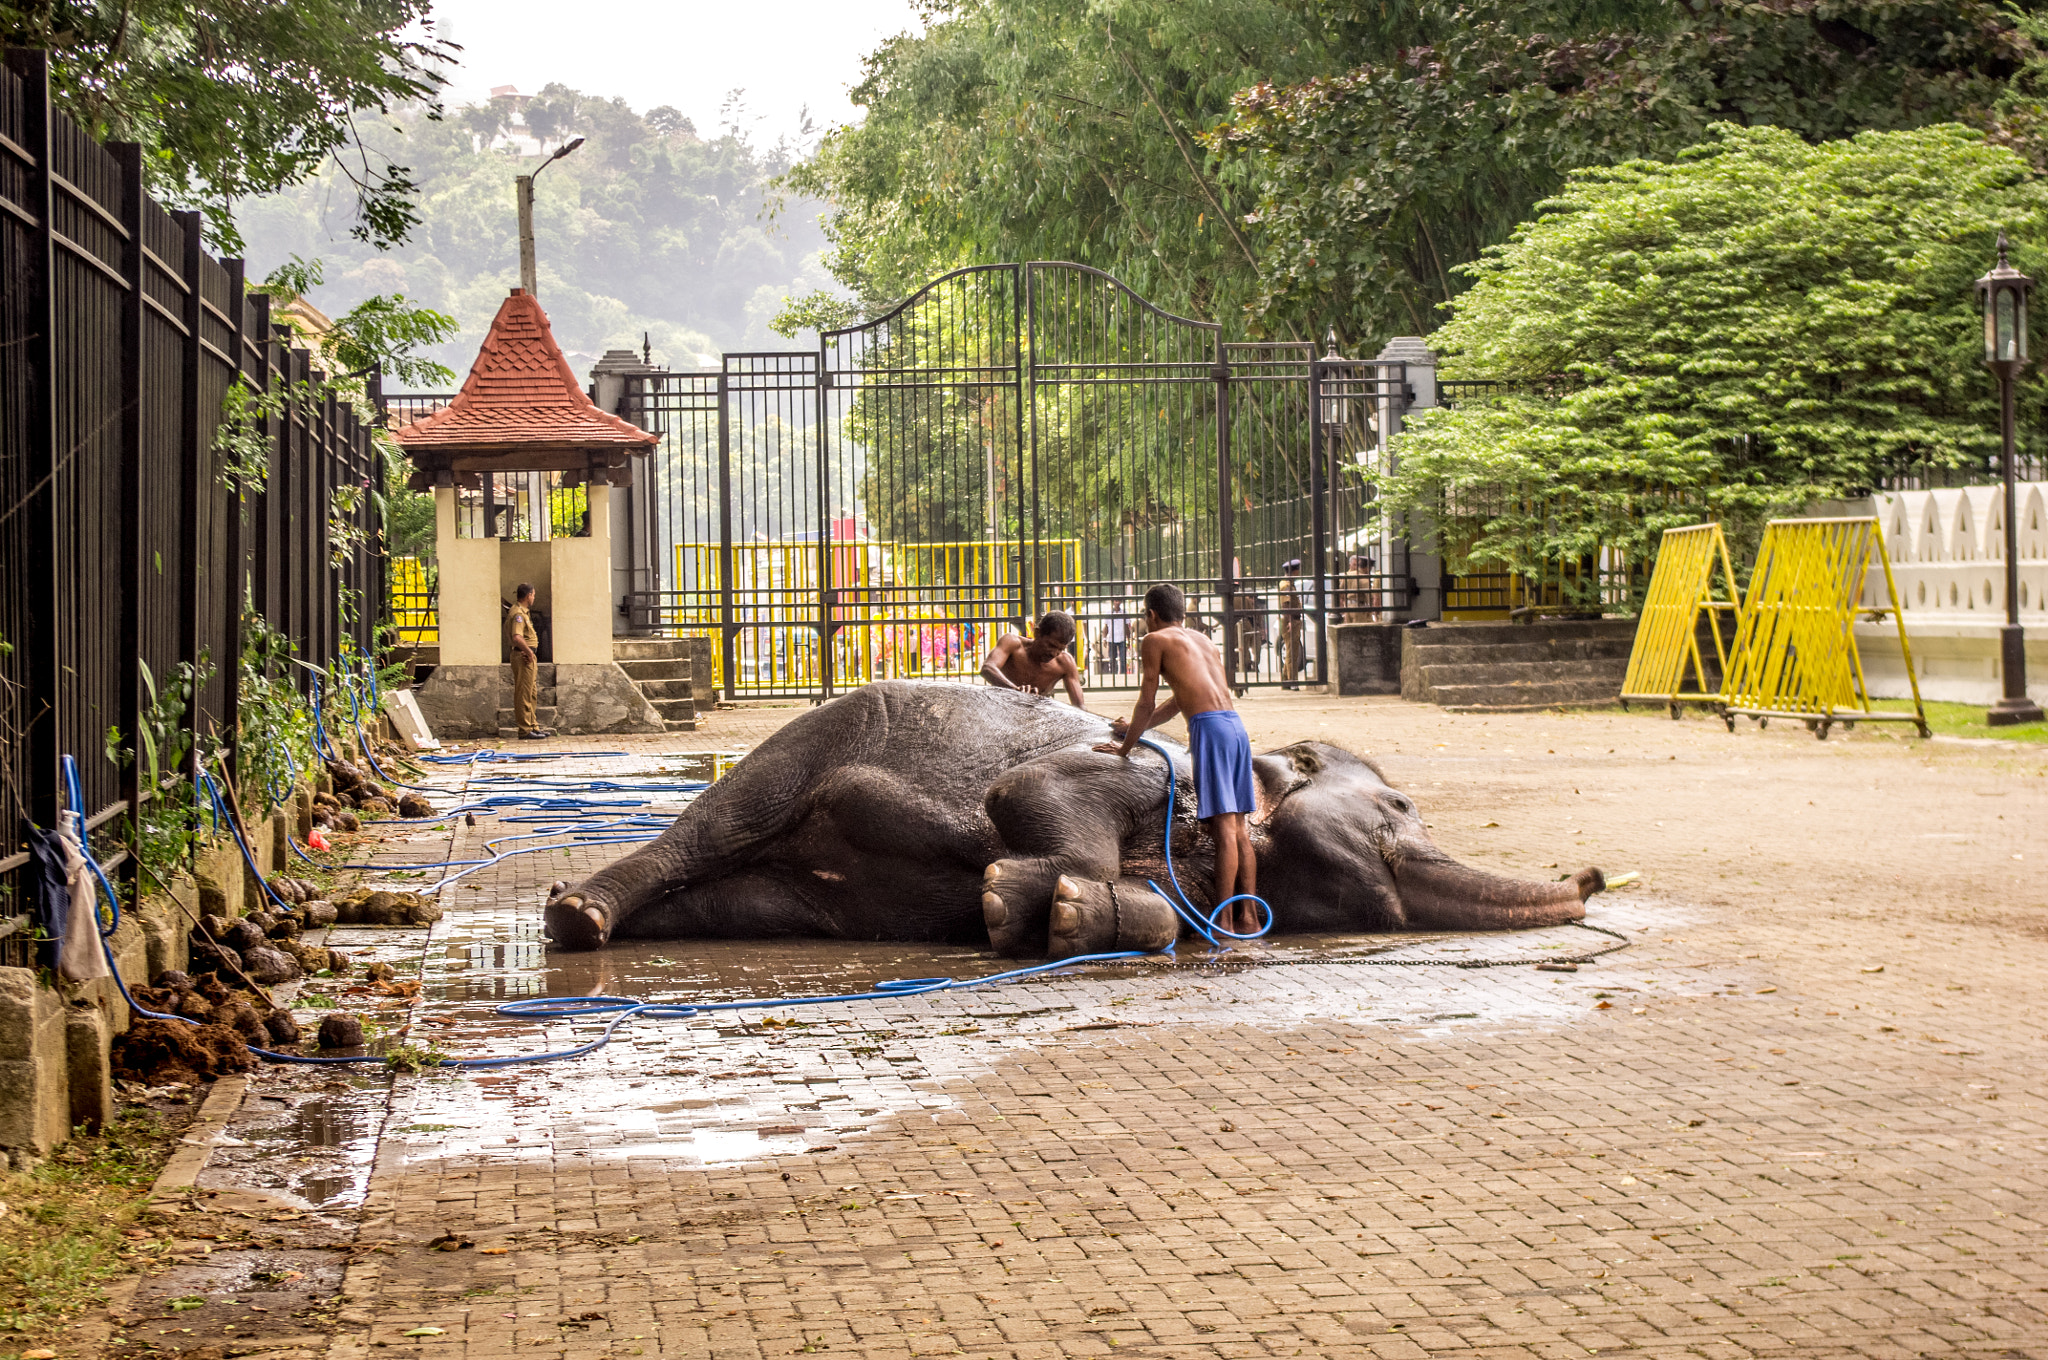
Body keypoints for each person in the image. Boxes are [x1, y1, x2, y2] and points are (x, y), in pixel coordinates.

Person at [1094, 583, 1258, 937]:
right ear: (1181, 612)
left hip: (1209, 730)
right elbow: (1177, 702)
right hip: (1234, 727)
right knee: (1240, 829)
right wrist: (1133, 730)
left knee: (1225, 829)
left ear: (1151, 614)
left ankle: (1225, 922)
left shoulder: (1154, 641)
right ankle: (1250, 917)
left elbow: (1147, 701)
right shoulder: (1205, 642)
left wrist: (1125, 747)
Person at [981, 611, 1087, 707]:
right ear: (1037, 633)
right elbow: (988, 668)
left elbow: (1080, 706)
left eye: (1060, 649)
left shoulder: (1065, 663)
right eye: (1051, 645)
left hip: (1036, 716)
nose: (1054, 653)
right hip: (1000, 709)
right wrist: (1014, 690)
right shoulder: (1012, 643)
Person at [508, 584, 551, 739]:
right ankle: (525, 729)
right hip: (523, 657)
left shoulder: (524, 613)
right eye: (533, 595)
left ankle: (533, 726)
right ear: (528, 596)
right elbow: (517, 637)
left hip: (527, 656)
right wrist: (528, 651)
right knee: (524, 693)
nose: (534, 597)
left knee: (531, 693)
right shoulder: (518, 614)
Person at [1278, 558, 1305, 689]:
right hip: (1291, 620)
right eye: (1298, 569)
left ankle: (1286, 680)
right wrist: (1289, 621)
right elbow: (1285, 604)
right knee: (1292, 652)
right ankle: (1293, 681)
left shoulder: (1288, 583)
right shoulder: (1286, 585)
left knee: (1290, 650)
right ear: (1294, 571)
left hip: (1292, 619)